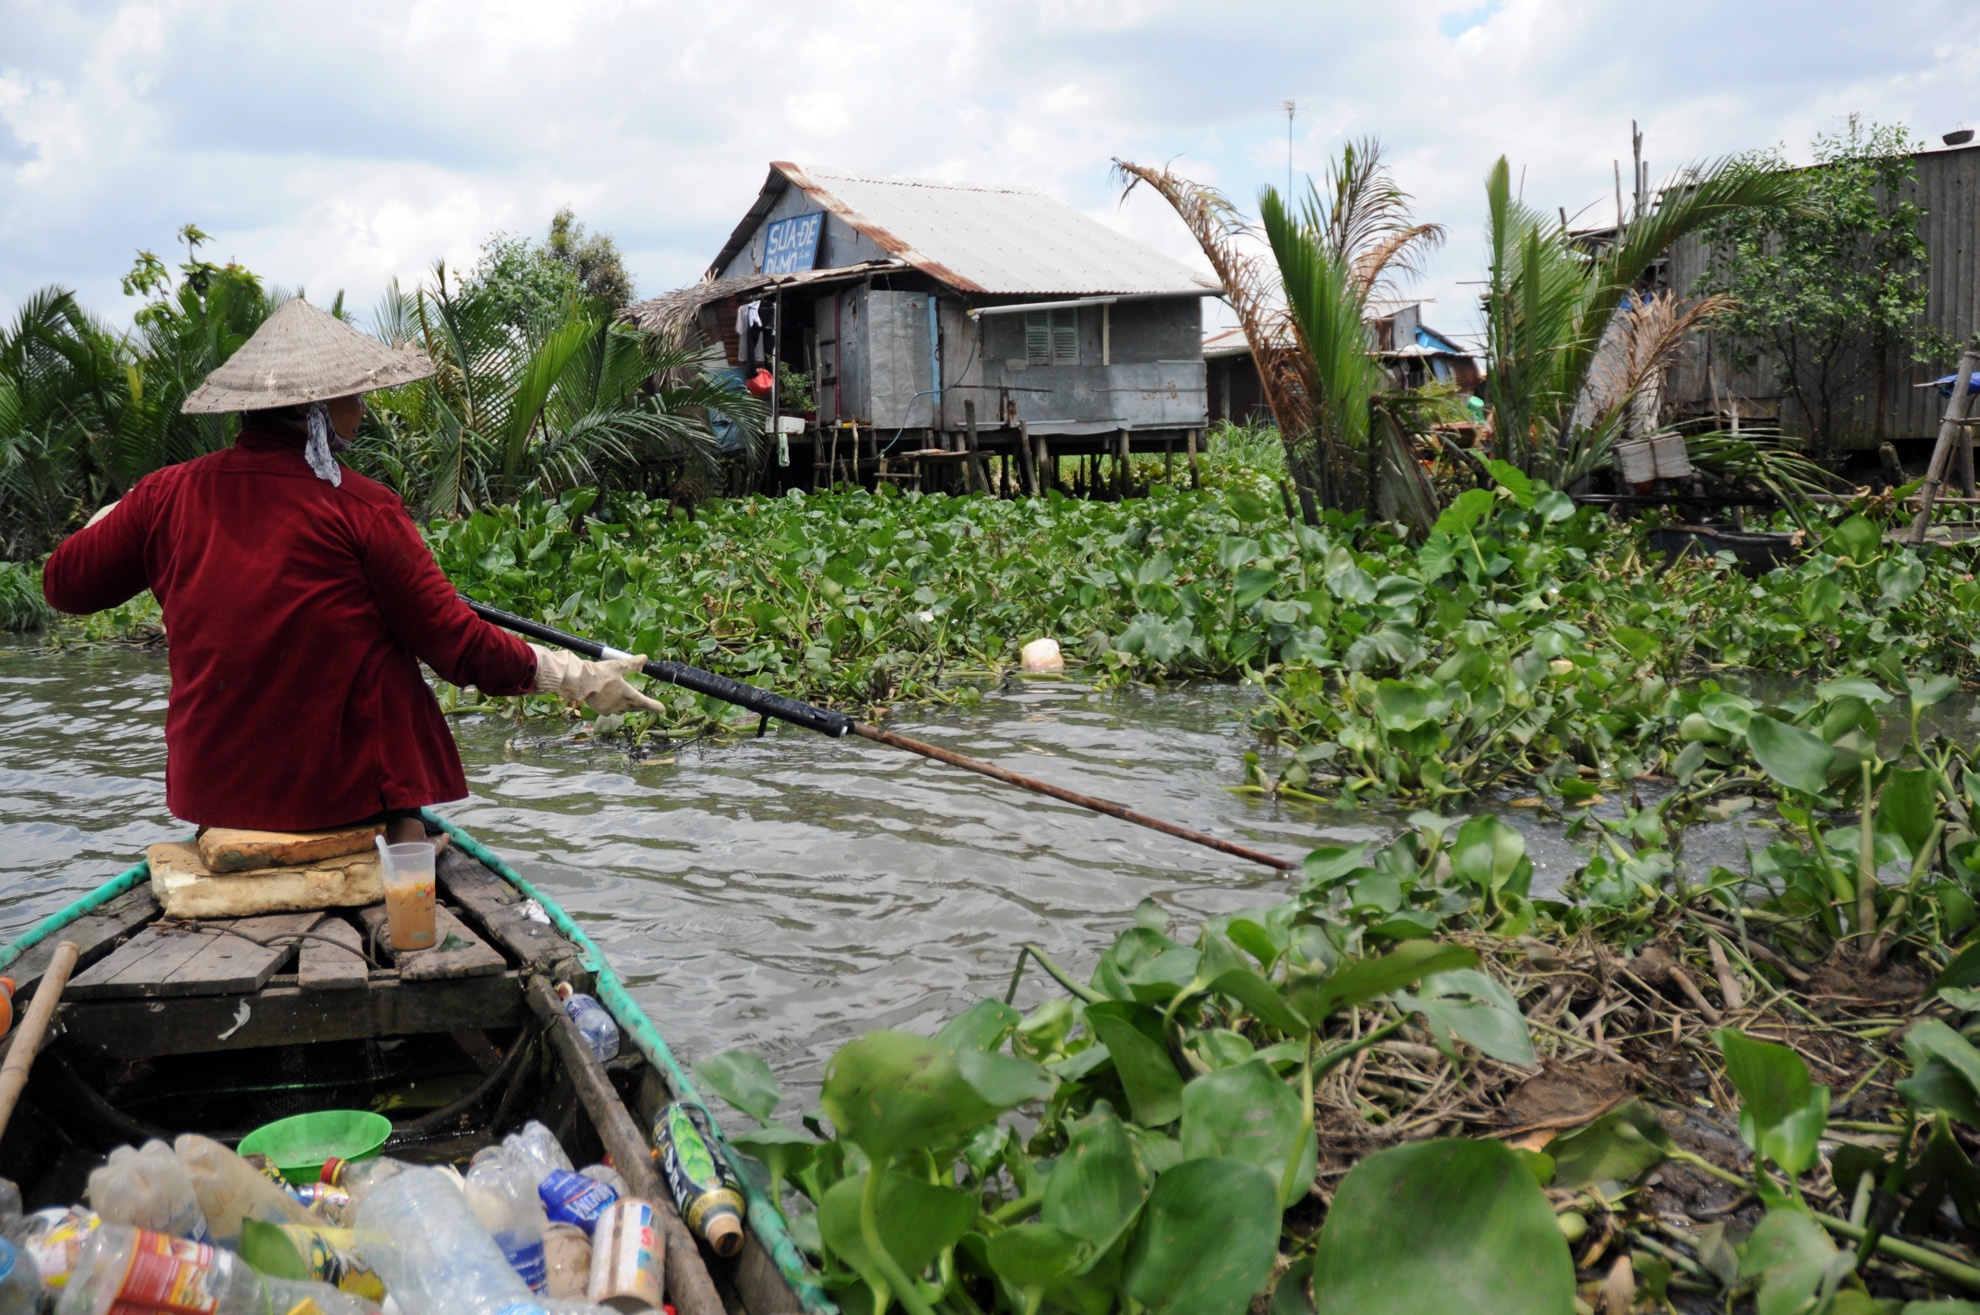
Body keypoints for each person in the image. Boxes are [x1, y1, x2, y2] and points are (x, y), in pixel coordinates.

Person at [42, 298, 662, 846]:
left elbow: (64, 585)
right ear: (315, 410)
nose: (363, 413)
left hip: (215, 795)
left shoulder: (165, 495)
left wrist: (119, 513)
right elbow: (458, 647)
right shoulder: (362, 508)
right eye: (353, 397)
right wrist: (573, 677)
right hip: (340, 797)